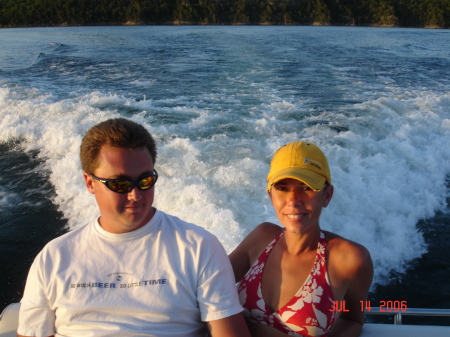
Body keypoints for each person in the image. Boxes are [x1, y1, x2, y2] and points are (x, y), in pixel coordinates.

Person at [17, 118, 251, 337]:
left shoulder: (198, 246)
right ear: (89, 183)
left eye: (145, 181)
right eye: (120, 183)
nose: (135, 194)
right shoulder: (54, 256)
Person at [229, 141, 373, 337]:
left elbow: (353, 318)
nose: (293, 200)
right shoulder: (260, 238)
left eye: (306, 187)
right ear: (271, 196)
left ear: (327, 196)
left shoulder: (350, 260)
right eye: (282, 187)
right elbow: (207, 288)